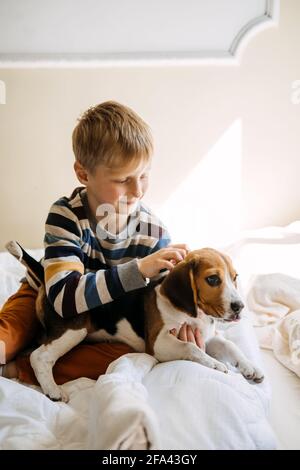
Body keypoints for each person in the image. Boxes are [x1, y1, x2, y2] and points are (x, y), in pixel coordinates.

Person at [0, 101, 204, 385]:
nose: (138, 190)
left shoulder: (153, 233)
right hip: (45, 292)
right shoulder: (66, 216)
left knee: (130, 357)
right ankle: (16, 350)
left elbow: (163, 304)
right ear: (84, 174)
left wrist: (184, 328)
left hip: (102, 322)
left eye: (144, 175)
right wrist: (139, 270)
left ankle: (21, 368)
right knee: (5, 339)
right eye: (123, 180)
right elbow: (63, 300)